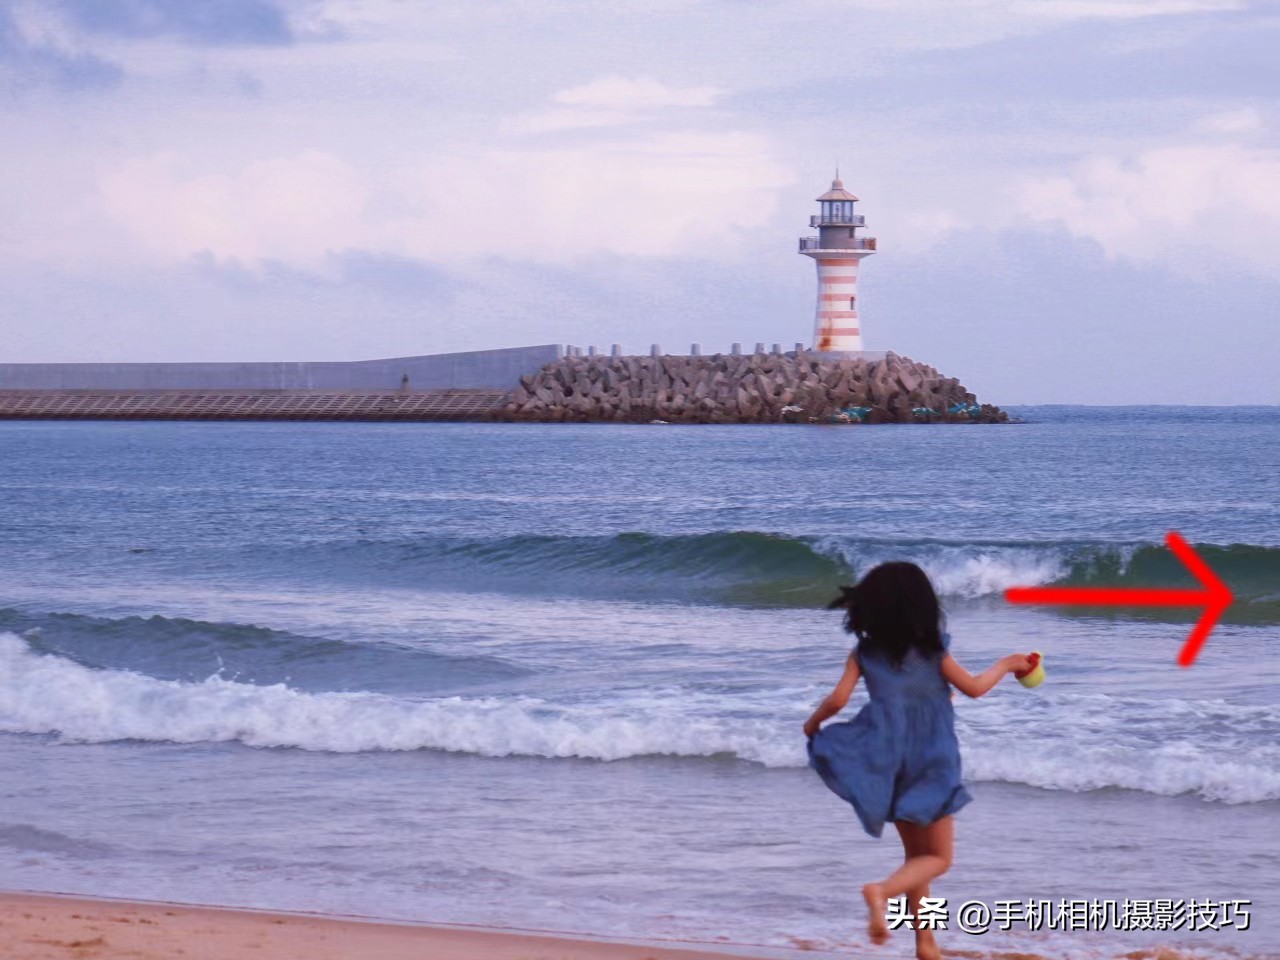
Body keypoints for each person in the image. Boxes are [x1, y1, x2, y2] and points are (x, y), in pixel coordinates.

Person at [803, 562, 1032, 959]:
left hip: (889, 761)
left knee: (916, 858)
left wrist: (813, 724)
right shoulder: (932, 648)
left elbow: (838, 700)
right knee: (939, 859)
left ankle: (926, 945)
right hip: (933, 758)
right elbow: (974, 688)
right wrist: (1009, 664)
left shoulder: (863, 653)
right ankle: (881, 892)